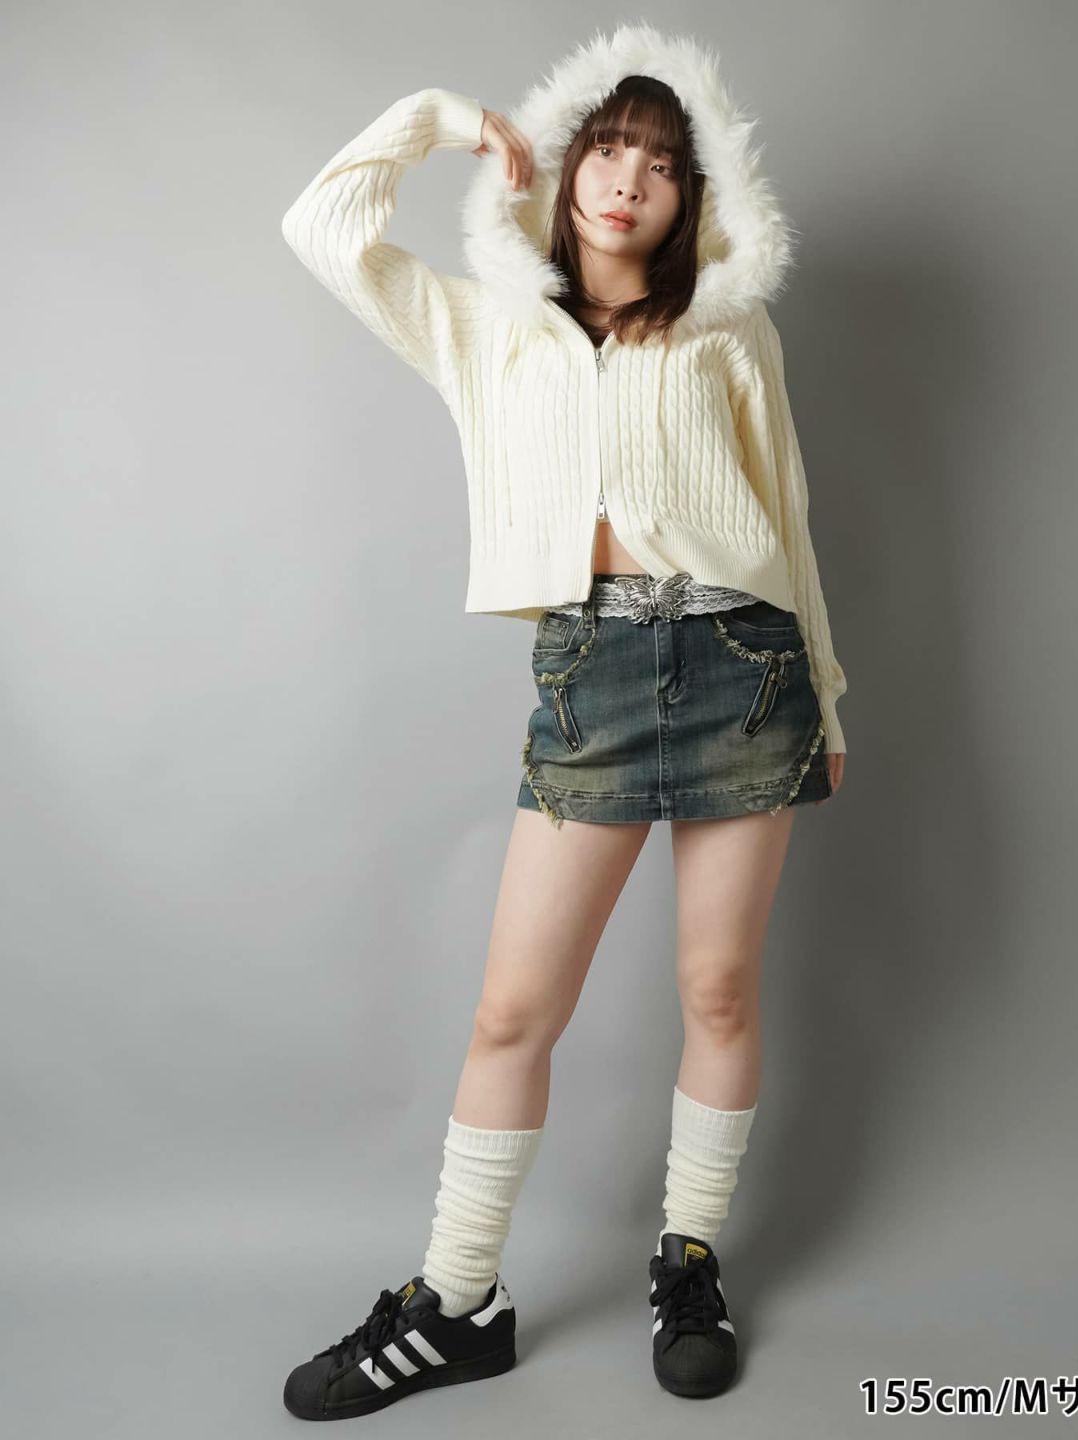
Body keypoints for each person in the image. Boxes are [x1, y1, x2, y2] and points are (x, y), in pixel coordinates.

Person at [278, 22, 848, 1420]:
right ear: (565, 163)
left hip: (746, 663)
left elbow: (790, 519)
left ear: (692, 194)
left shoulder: (730, 331)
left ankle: (690, 1259)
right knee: (510, 1012)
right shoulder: (488, 324)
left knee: (718, 990)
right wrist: (438, 116)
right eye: (607, 148)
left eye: (661, 161)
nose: (628, 179)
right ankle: (457, 1302)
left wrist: (826, 694)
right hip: (591, 673)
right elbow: (320, 227)